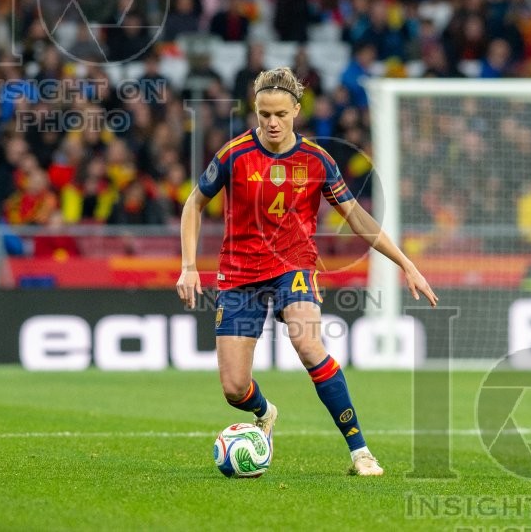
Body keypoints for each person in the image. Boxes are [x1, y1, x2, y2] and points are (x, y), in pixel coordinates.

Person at [176, 68, 438, 477]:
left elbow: (357, 218)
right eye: (264, 114)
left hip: (293, 265)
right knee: (233, 388)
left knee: (309, 345)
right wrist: (189, 266)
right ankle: (265, 412)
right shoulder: (234, 155)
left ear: (297, 109)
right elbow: (193, 204)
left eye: (280, 113)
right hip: (240, 271)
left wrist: (405, 262)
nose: (272, 123)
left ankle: (361, 452)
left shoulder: (317, 160)